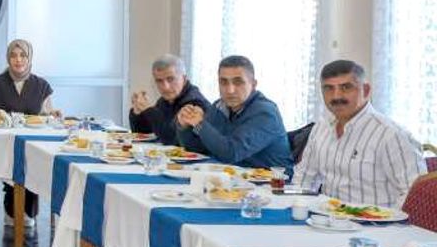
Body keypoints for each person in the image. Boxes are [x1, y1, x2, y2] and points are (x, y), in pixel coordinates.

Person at [292, 60, 424, 208]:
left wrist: (382, 220)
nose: (336, 96)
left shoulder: (391, 135)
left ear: (366, 91)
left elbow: (416, 197)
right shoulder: (320, 129)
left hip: (377, 221)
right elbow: (303, 181)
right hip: (325, 218)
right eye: (329, 88)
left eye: (346, 87)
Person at [0, 39, 57, 226]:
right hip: (2, 145)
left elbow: (47, 115)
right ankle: (12, 209)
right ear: (8, 58)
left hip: (34, 144)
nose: (18, 60)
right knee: (14, 161)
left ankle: (28, 209)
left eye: (23, 55)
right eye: (13, 55)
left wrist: (54, 115)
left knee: (33, 162)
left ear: (30, 58)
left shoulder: (41, 86)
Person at [176, 55, 292, 168]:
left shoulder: (266, 114)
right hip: (232, 176)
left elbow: (231, 153)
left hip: (270, 179)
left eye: (238, 82)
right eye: (224, 82)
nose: (230, 90)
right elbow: (199, 149)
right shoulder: (219, 106)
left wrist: (200, 124)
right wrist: (185, 126)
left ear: (253, 84)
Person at [129, 54, 211, 145]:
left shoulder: (194, 102)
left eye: (171, 79)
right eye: (159, 81)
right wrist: (138, 112)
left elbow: (171, 138)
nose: (165, 87)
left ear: (184, 79)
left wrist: (149, 110)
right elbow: (145, 133)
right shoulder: (165, 100)